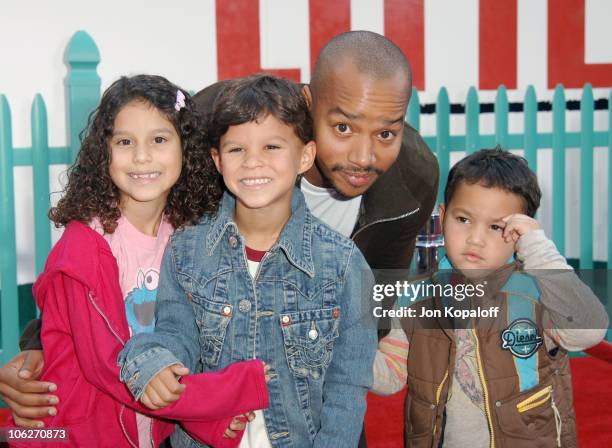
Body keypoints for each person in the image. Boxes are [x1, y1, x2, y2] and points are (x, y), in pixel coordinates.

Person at [1, 31, 439, 445]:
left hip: (312, 408)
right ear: (309, 105)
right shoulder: (222, 122)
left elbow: (364, 325)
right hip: (208, 408)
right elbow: (121, 251)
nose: (364, 155)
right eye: (343, 127)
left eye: (386, 132)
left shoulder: (412, 180)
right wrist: (43, 347)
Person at [4, 75, 269, 447]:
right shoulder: (83, 248)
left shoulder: (184, 237)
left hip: (141, 429)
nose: (142, 156)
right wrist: (229, 390)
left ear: (186, 149)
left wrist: (204, 423)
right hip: (75, 433)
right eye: (125, 142)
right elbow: (111, 366)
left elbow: (189, 339)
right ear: (104, 152)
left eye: (159, 140)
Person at [118, 74, 377, 448]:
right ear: (218, 160)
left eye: (272, 146)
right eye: (237, 149)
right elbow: (177, 336)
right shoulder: (187, 250)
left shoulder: (343, 265)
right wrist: (153, 359)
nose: (253, 162)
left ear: (305, 155)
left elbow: (347, 390)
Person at [372, 147, 609, 447]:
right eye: (463, 219)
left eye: (496, 227)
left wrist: (537, 248)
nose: (476, 238)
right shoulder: (414, 299)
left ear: (519, 235)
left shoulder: (540, 294)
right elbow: (389, 374)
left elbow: (588, 331)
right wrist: (333, 352)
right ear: (443, 217)